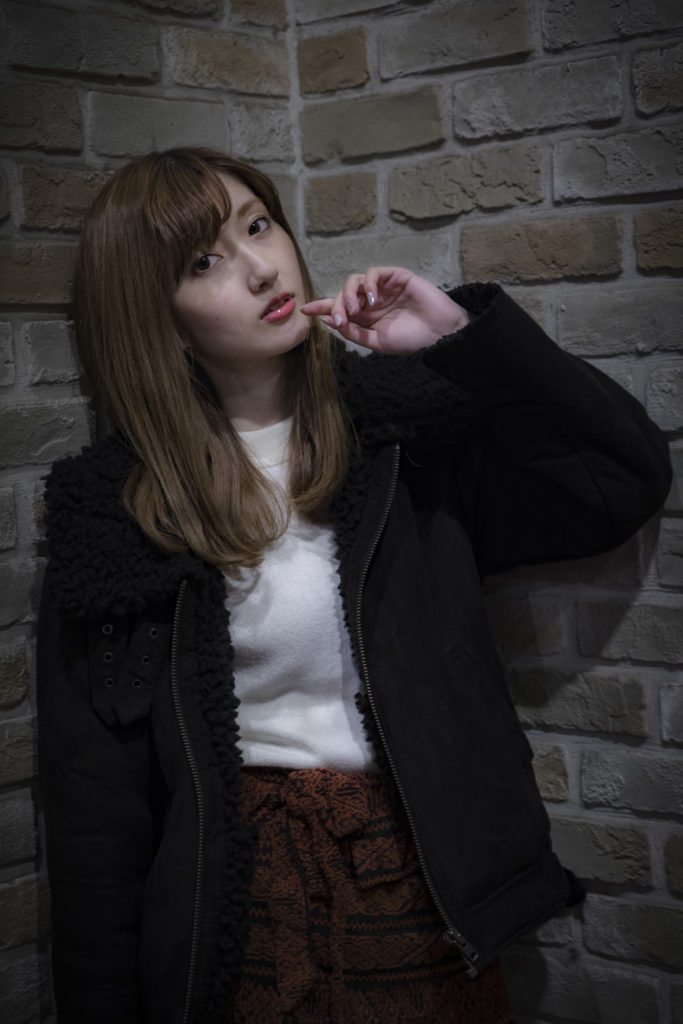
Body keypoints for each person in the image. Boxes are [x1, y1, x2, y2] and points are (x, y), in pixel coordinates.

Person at [37, 146, 671, 1024]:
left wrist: (458, 342)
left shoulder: (402, 435)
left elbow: (619, 483)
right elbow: (94, 816)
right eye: (206, 261)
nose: (261, 268)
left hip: (420, 880)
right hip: (237, 905)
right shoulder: (115, 512)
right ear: (161, 319)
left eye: (259, 226)